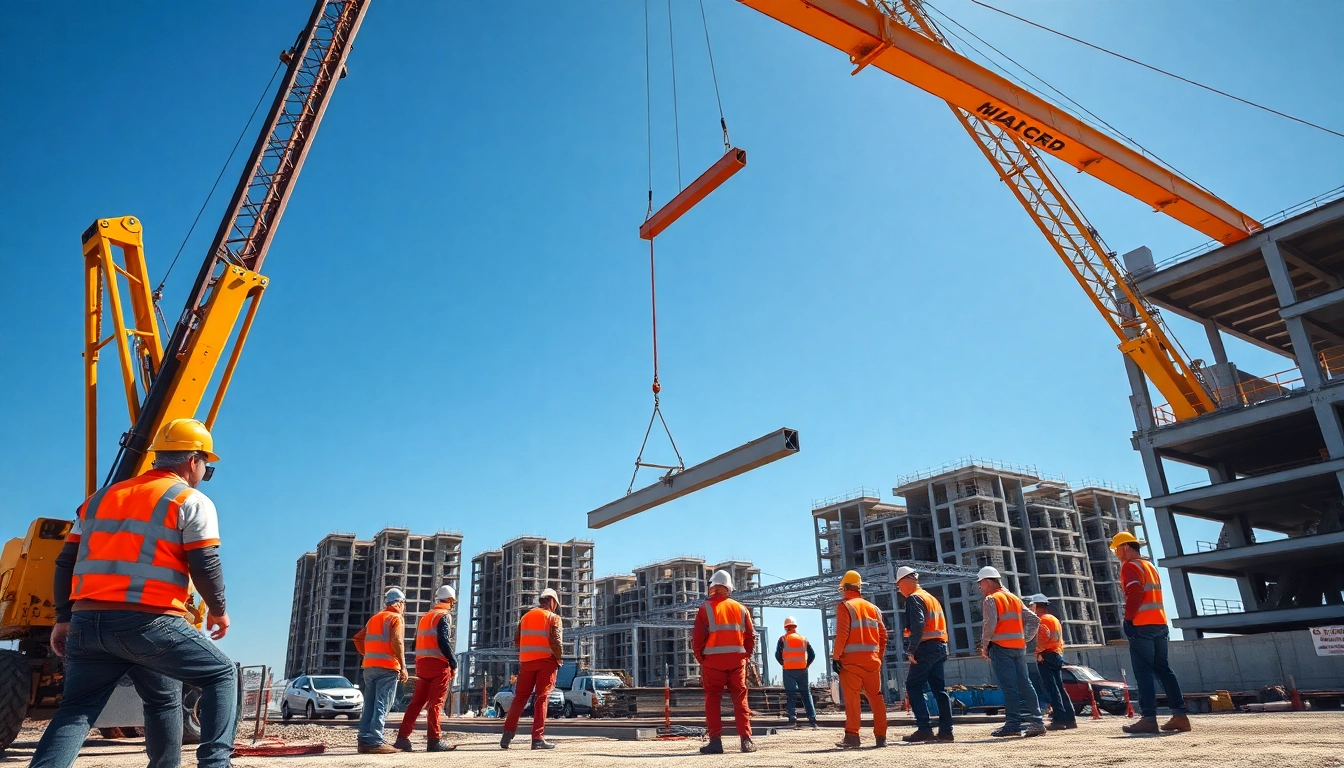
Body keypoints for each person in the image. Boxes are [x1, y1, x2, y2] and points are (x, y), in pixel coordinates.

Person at [29, 418, 236, 768]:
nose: (204, 472)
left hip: (87, 622)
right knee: (221, 674)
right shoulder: (190, 499)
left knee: (80, 709)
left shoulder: (97, 500)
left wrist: (63, 619)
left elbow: (65, 563)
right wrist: (219, 610)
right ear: (193, 461)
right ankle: (216, 764)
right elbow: (205, 562)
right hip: (149, 622)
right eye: (207, 466)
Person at [1111, 532, 1191, 734]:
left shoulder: (1130, 566)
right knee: (1164, 670)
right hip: (1160, 624)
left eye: (1117, 550)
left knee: (1143, 672)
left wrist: (1128, 619)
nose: (1116, 554)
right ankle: (1180, 715)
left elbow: (1136, 592)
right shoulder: (1149, 566)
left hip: (1141, 625)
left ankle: (1148, 718)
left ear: (1126, 547)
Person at [692, 570, 757, 754]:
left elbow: (697, 638)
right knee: (740, 699)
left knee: (713, 699)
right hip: (737, 661)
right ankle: (746, 740)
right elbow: (750, 636)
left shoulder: (705, 608)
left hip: (712, 663)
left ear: (712, 587)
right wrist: (745, 655)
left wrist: (702, 659)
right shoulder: (741, 608)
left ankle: (715, 742)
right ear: (729, 587)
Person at [978, 566, 1045, 738]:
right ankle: (1037, 721)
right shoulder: (1014, 598)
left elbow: (990, 624)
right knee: (1025, 683)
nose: (980, 587)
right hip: (1018, 648)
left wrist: (985, 646)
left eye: (980, 583)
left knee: (1009, 687)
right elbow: (1034, 619)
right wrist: (1025, 639)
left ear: (987, 581)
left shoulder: (991, 599)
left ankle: (1013, 724)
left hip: (1000, 648)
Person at [395, 585, 459, 752]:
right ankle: (434, 740)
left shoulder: (425, 617)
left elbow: (415, 643)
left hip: (422, 665)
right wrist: (453, 662)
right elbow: (444, 642)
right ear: (451, 600)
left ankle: (402, 738)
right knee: (436, 704)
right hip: (438, 664)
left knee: (416, 703)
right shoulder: (443, 615)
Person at [501, 588, 564, 750]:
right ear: (552, 602)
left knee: (520, 698)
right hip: (546, 662)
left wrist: (528, 652)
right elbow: (556, 641)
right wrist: (558, 658)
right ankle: (537, 739)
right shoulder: (553, 617)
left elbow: (517, 640)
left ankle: (507, 735)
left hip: (527, 663)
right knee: (542, 698)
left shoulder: (525, 617)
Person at [895, 566, 953, 743]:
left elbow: (919, 624)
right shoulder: (930, 597)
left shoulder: (914, 598)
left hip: (925, 647)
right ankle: (946, 731)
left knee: (913, 686)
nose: (899, 589)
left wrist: (911, 649)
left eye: (899, 585)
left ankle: (924, 728)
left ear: (907, 580)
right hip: (940, 646)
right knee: (939, 690)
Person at [832, 570, 888, 749]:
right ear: (859, 588)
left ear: (845, 588)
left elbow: (842, 635)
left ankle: (852, 736)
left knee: (852, 699)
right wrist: (877, 657)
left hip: (851, 663)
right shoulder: (874, 609)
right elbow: (883, 636)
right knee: (876, 699)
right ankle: (881, 737)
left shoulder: (845, 606)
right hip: (872, 662)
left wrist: (836, 657)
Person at [354, 588, 410, 754]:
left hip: (369, 667)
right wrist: (403, 666)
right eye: (403, 604)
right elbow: (397, 642)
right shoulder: (396, 618)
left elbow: (358, 638)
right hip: (387, 667)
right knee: (382, 704)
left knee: (369, 704)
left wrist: (369, 654)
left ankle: (364, 740)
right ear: (399, 603)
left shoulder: (374, 618)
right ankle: (376, 740)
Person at [1028, 594, 1076, 730]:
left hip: (1046, 656)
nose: (1030, 608)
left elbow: (1043, 637)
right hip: (1056, 654)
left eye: (1031, 605)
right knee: (1060, 688)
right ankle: (1070, 718)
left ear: (1036, 606)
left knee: (1051, 689)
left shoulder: (1041, 620)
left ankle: (1059, 719)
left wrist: (1039, 653)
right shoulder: (1053, 619)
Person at [774, 617, 816, 729]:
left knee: (791, 694)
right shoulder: (803, 639)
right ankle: (812, 717)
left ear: (785, 627)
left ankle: (792, 716)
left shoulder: (783, 639)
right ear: (795, 627)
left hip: (788, 670)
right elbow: (812, 654)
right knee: (806, 694)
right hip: (802, 670)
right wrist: (807, 665)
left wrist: (783, 663)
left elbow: (777, 655)